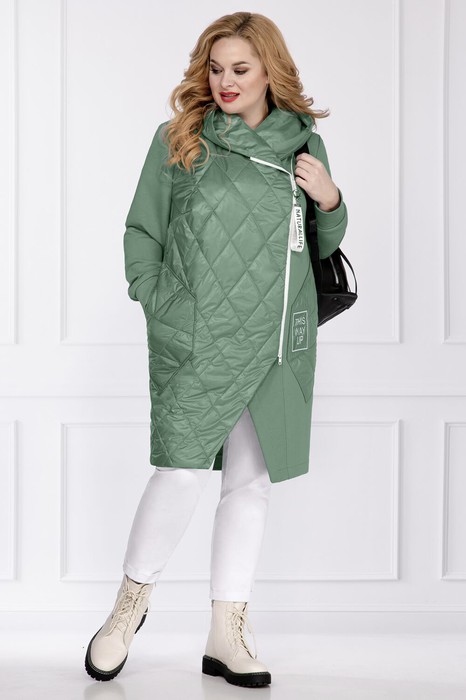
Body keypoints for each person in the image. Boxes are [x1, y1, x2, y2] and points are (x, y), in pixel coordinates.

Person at [84, 11, 348, 689]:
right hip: (198, 335)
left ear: (270, 72)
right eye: (215, 67)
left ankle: (227, 633)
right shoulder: (179, 138)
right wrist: (157, 298)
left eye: (241, 68)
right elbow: (142, 229)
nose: (225, 81)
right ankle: (127, 610)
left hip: (274, 339)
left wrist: (330, 199)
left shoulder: (303, 144)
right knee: (179, 471)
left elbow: (318, 246)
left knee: (249, 485)